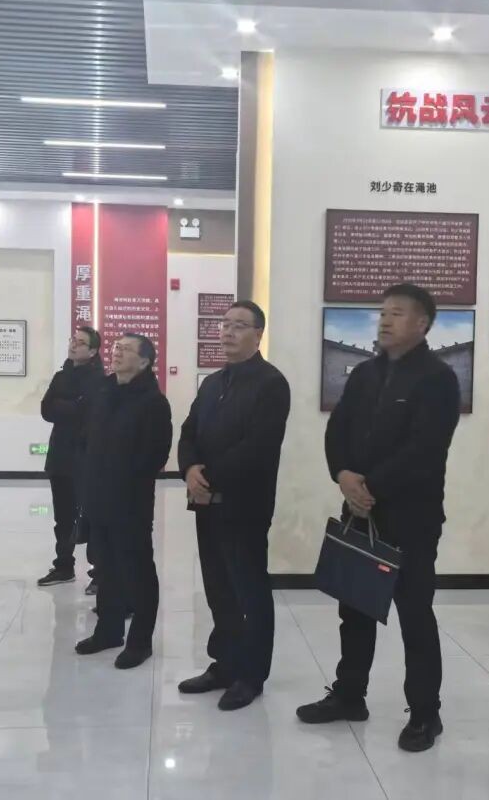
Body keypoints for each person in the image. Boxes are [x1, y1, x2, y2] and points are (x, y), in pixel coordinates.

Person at [296, 283, 460, 753]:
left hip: (411, 515)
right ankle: (350, 695)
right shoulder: (365, 373)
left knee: (414, 614)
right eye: (382, 313)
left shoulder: (438, 378)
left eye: (397, 313)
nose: (385, 320)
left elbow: (425, 450)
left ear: (423, 323)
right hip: (358, 509)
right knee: (354, 607)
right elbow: (337, 429)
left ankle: (425, 713)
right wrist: (343, 475)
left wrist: (370, 488)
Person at [177, 301, 291, 711]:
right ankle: (224, 664)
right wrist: (190, 468)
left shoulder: (271, 383)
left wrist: (208, 478)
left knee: (249, 590)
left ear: (258, 334)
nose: (228, 332)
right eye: (224, 324)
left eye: (239, 326)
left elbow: (258, 447)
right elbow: (188, 432)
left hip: (245, 506)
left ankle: (251, 675)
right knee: (218, 588)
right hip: (206, 505)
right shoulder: (212, 383)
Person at [74, 333, 172, 669]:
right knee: (106, 567)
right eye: (116, 347)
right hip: (98, 497)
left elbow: (155, 454)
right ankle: (108, 631)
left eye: (126, 350)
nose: (117, 353)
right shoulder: (103, 391)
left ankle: (140, 641)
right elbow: (87, 438)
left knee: (137, 570)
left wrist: (123, 478)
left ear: (144, 361)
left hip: (130, 501)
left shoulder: (153, 402)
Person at [37, 326, 104, 587]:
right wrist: (73, 405)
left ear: (93, 351)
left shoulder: (100, 380)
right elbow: (46, 409)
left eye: (80, 342)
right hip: (60, 456)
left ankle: (99, 573)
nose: (73, 345)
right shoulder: (60, 376)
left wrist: (64, 406)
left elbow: (90, 413)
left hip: (87, 457)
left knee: (92, 516)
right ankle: (64, 566)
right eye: (73, 340)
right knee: (62, 517)